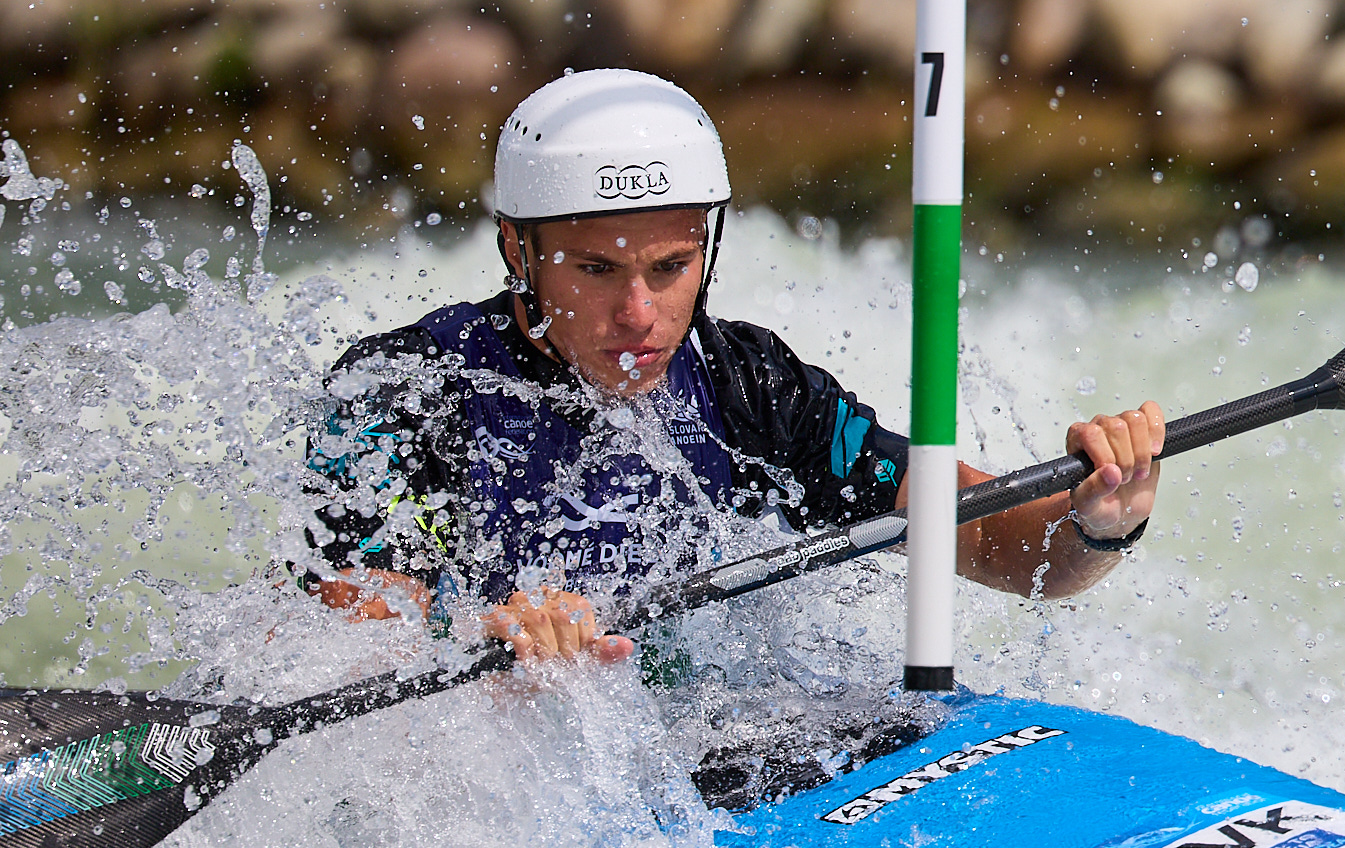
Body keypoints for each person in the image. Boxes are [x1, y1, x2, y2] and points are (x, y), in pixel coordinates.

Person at [301, 68, 1162, 666]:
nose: (639, 314)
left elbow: (988, 540)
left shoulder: (746, 384)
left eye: (670, 268)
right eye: (596, 270)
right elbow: (345, 650)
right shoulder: (403, 394)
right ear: (515, 250)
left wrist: (1098, 520)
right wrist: (481, 651)